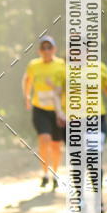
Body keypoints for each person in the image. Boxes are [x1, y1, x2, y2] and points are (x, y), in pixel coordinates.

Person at [53, 58, 107, 213]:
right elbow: (56, 94)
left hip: (95, 120)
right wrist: (59, 112)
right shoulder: (62, 70)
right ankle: (80, 199)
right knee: (78, 162)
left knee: (93, 158)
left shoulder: (99, 68)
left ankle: (98, 199)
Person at [22, 35, 66, 189]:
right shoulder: (33, 65)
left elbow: (67, 85)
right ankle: (45, 173)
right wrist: (26, 96)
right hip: (40, 108)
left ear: (54, 49)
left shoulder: (61, 64)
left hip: (58, 110)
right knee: (44, 139)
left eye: (49, 47)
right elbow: (27, 79)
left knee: (56, 145)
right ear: (39, 51)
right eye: (43, 48)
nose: (46, 50)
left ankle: (55, 174)